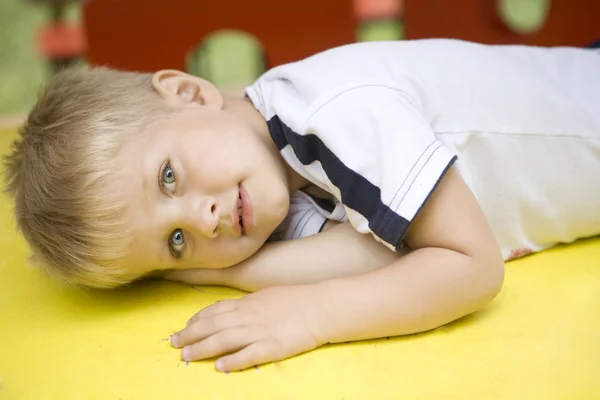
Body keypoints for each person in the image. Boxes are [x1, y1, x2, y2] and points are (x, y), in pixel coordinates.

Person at [4, 39, 600, 372]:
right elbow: (381, 255)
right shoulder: (271, 184)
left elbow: (468, 267)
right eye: (175, 241)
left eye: (167, 178)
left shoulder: (329, 114)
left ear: (188, 93)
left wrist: (309, 316)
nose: (202, 219)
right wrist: (230, 269)